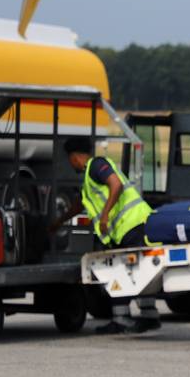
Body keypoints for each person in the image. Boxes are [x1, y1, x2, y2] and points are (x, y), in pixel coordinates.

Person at [59, 138, 160, 334]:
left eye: (69, 159)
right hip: (130, 227)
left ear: (74, 157)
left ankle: (124, 319)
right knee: (137, 270)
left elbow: (116, 185)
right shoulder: (89, 179)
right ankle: (148, 316)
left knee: (123, 271)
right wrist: (58, 222)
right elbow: (80, 204)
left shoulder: (97, 165)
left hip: (131, 225)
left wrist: (105, 215)